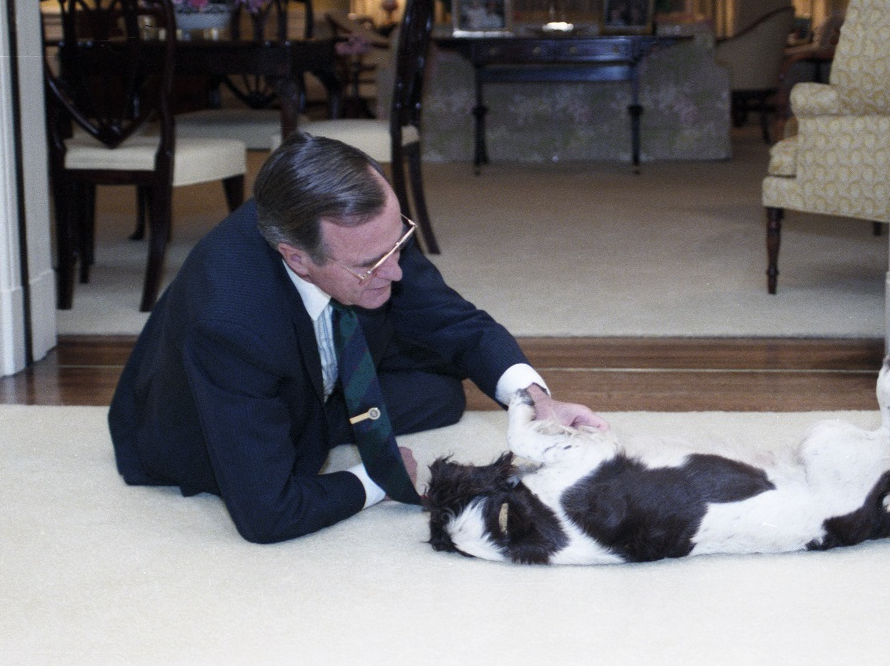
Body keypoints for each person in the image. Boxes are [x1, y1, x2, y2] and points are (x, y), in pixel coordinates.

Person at [108, 133, 606, 543]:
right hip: (198, 423)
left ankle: (326, 398)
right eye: (372, 265)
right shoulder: (230, 325)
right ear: (297, 257)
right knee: (279, 482)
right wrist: (376, 479)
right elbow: (267, 518)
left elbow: (452, 320)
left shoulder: (361, 232)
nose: (396, 270)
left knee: (439, 393)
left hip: (303, 369)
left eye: (398, 243)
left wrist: (537, 403)